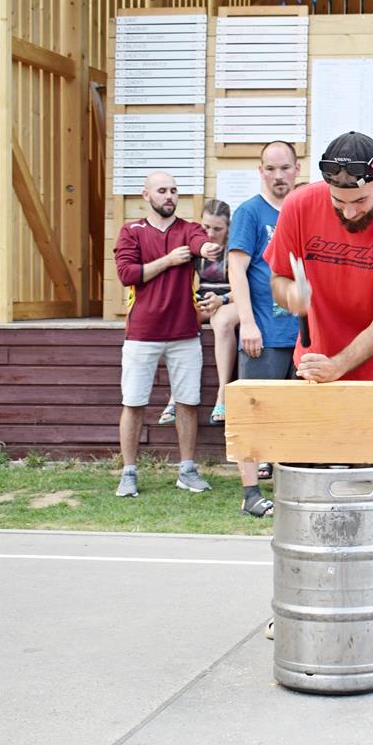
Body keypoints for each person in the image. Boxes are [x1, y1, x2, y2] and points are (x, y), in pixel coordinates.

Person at [264, 131, 373, 384]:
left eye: (360, 200)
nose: (349, 212)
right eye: (338, 201)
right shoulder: (298, 206)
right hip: (315, 362)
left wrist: (337, 366)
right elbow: (279, 280)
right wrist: (290, 294)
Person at [112, 171, 223, 497]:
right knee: (133, 403)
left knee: (187, 403)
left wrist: (207, 249)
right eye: (162, 190)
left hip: (184, 331)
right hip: (141, 333)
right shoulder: (131, 231)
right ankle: (128, 473)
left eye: (174, 190)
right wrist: (169, 260)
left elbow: (200, 242)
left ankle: (187, 471)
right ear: (146, 195)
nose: (169, 196)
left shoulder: (188, 229)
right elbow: (127, 274)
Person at [227, 140, 301, 518]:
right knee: (255, 412)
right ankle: (251, 492)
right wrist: (248, 322)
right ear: (260, 171)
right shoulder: (250, 213)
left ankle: (291, 488)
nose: (278, 176)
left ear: (297, 170)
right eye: (270, 169)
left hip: (301, 335)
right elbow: (236, 269)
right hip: (264, 333)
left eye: (285, 168)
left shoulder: (303, 211)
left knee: (294, 416)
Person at [156, 199, 239, 427]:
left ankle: (222, 394)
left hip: (231, 298)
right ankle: (176, 395)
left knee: (221, 322)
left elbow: (246, 286)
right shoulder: (197, 247)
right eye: (206, 227)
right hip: (204, 299)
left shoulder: (234, 248)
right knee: (180, 318)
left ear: (228, 228)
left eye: (218, 229)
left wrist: (222, 299)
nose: (210, 234)